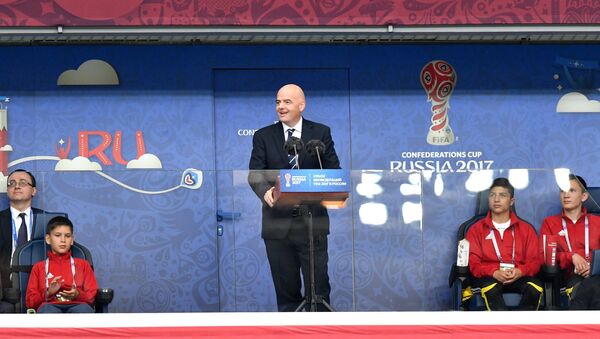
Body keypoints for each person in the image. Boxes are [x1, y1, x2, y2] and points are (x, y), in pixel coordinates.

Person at [248, 84, 341, 311]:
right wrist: (265, 191)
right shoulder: (263, 136)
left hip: (313, 224)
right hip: (277, 225)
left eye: (287, 102)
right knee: (286, 292)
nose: (280, 106)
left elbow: (334, 171)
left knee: (318, 289)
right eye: (278, 102)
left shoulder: (320, 133)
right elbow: (255, 173)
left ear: (302, 105)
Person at [465, 177, 543, 310]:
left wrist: (520, 271)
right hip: (489, 277)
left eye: (502, 195)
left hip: (518, 275)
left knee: (534, 287)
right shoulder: (475, 229)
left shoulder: (526, 229)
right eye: (492, 195)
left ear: (512, 201)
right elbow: (473, 264)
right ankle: (503, 329)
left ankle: (521, 328)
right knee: (491, 287)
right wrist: (493, 272)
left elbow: (536, 261)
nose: (496, 199)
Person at [539, 174, 600, 300]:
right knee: (585, 289)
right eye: (562, 190)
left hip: (596, 275)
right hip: (568, 278)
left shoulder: (597, 222)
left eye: (572, 190)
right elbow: (544, 257)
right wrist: (571, 256)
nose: (566, 195)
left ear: (584, 196)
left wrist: (593, 267)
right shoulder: (550, 223)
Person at [26, 216, 98, 313]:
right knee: (47, 311)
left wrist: (78, 294)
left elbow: (92, 296)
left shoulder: (83, 265)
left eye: (67, 236)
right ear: (48, 239)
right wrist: (48, 293)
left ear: (72, 240)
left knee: (84, 310)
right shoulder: (39, 267)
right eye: (57, 235)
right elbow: (30, 302)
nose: (63, 240)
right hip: (49, 306)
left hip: (78, 305)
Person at [0, 169, 45, 312]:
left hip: (42, 284)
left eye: (22, 183)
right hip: (5, 285)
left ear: (33, 191)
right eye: (11, 183)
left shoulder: (47, 220)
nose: (16, 186)